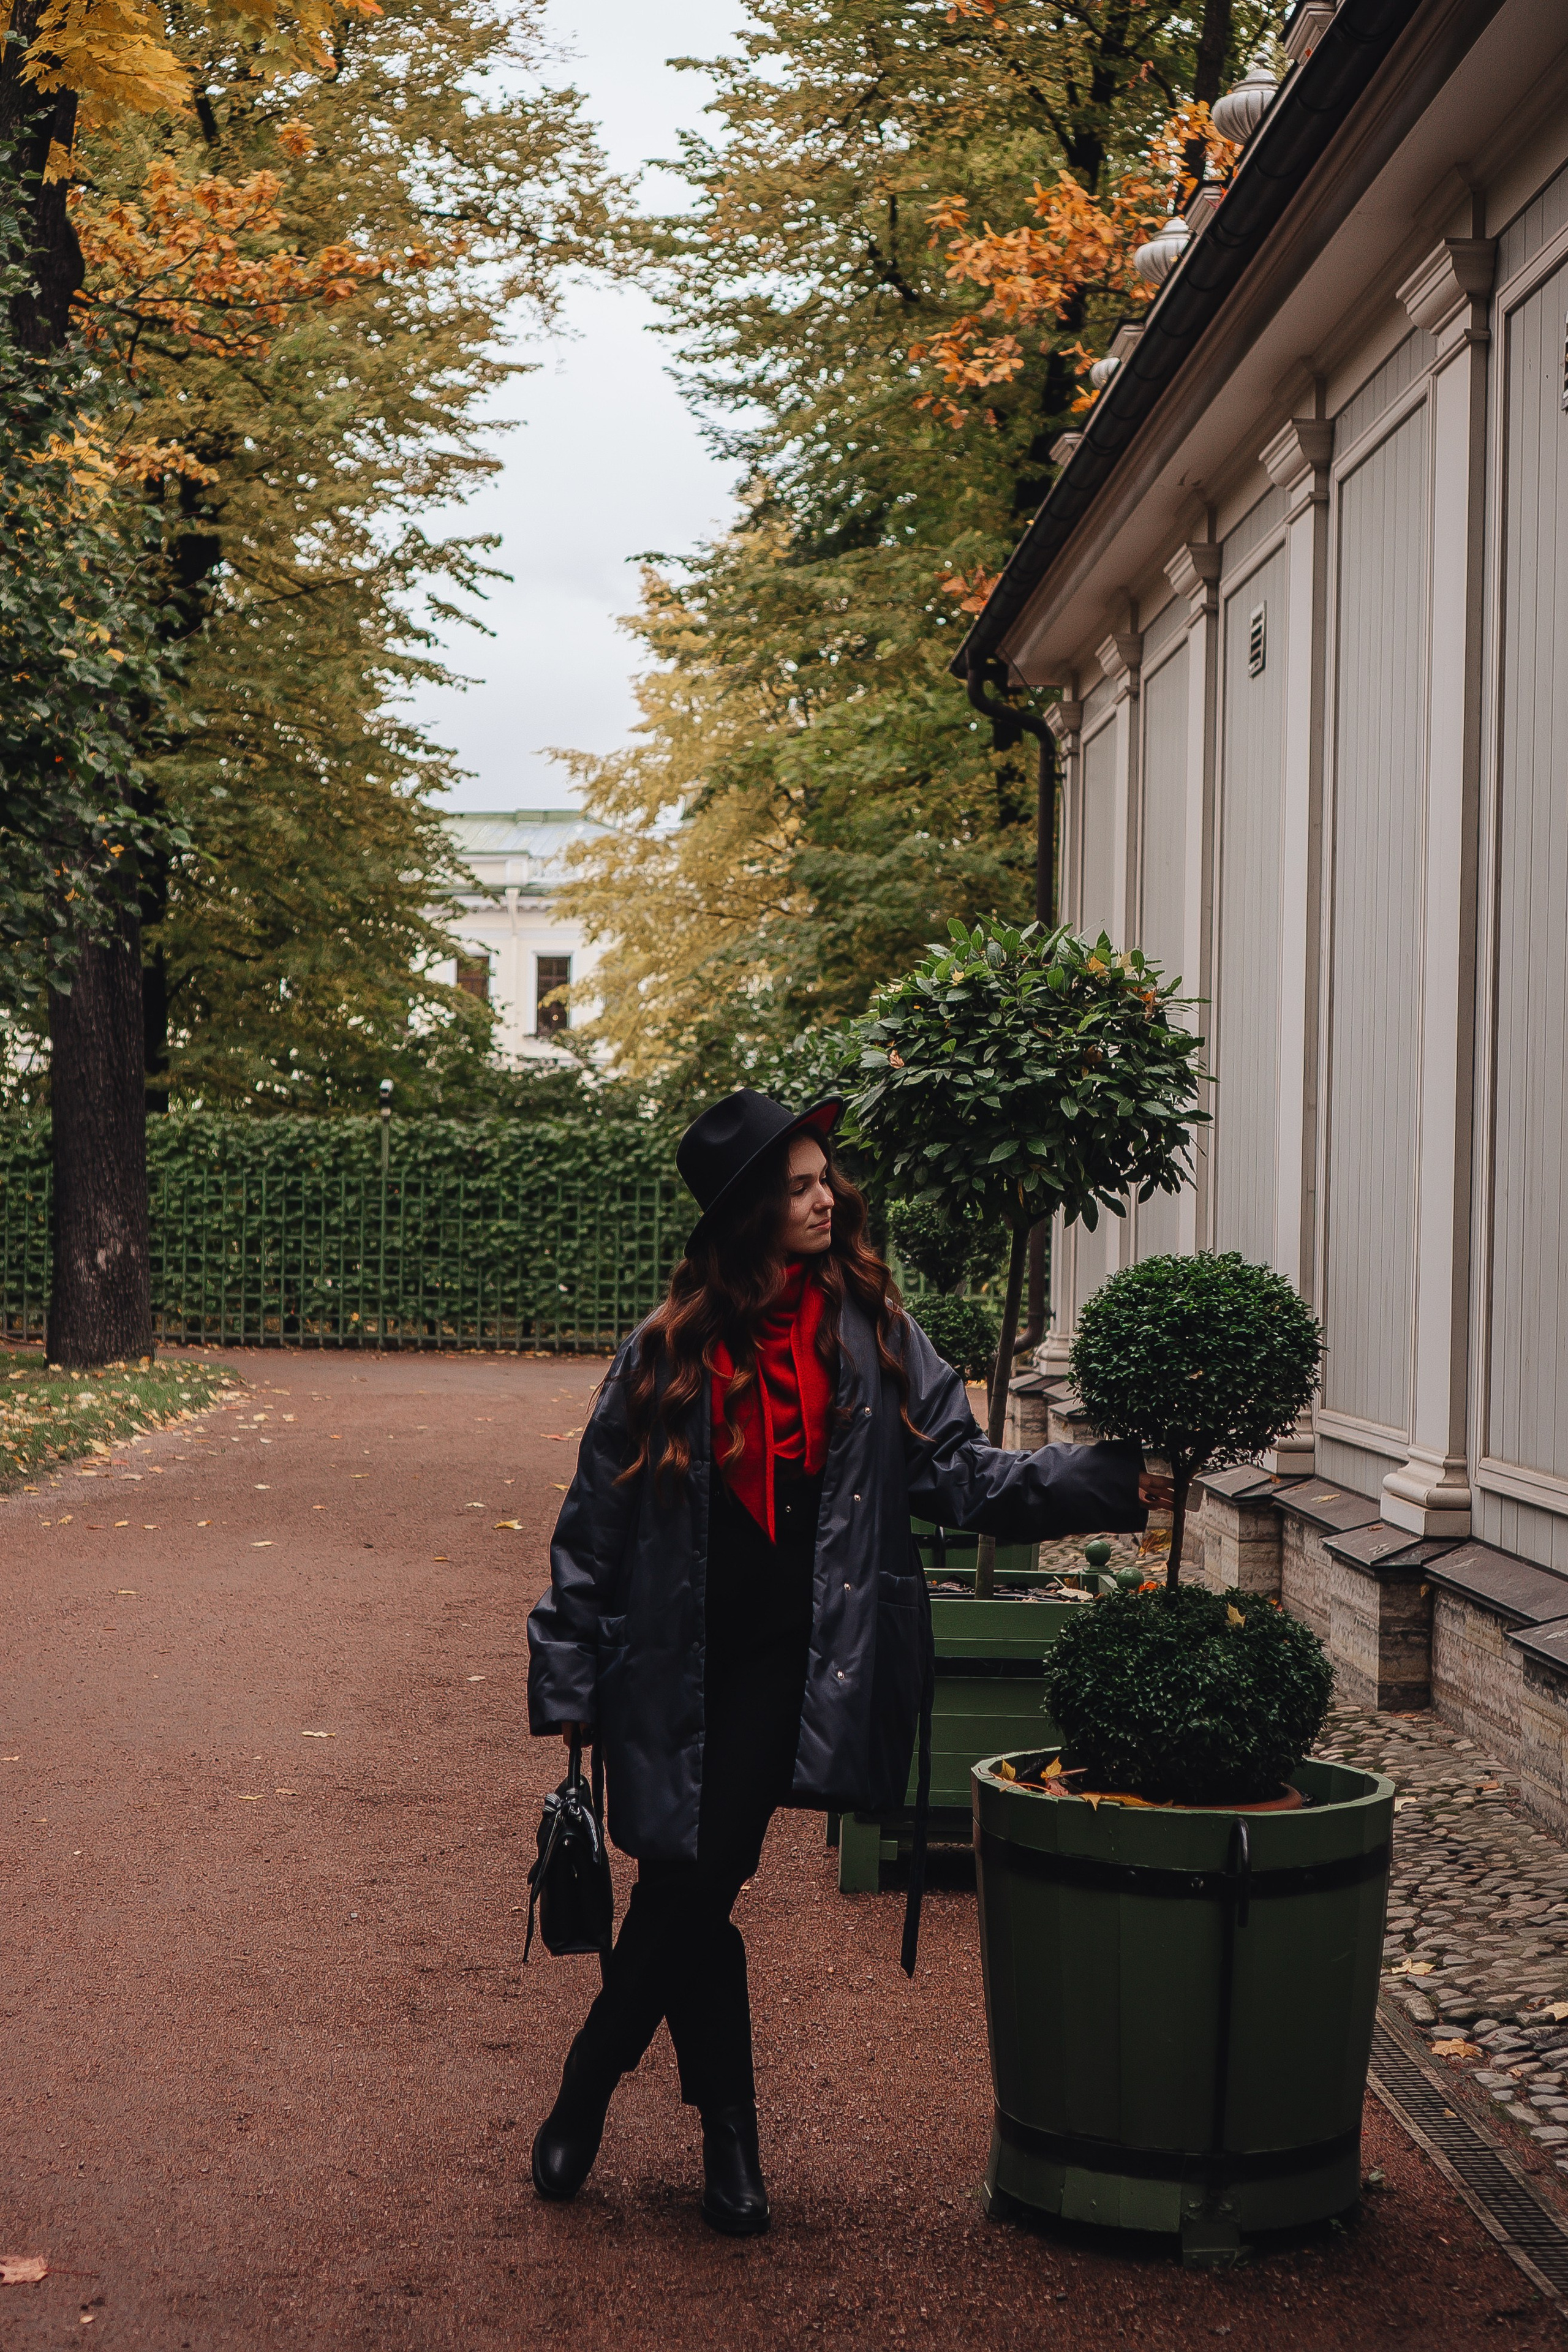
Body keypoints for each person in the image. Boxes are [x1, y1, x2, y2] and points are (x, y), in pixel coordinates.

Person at [526, 1088, 1167, 2236]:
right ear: (747, 1212)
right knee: (691, 1888)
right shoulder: (664, 1352)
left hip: (799, 1659)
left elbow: (965, 1477)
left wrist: (1110, 1482)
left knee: (702, 1871)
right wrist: (568, 1672)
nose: (828, 1197)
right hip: (673, 1664)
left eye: (829, 1180)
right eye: (801, 1183)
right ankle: (729, 2140)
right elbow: (592, 1531)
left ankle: (591, 2078)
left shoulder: (877, 1337)